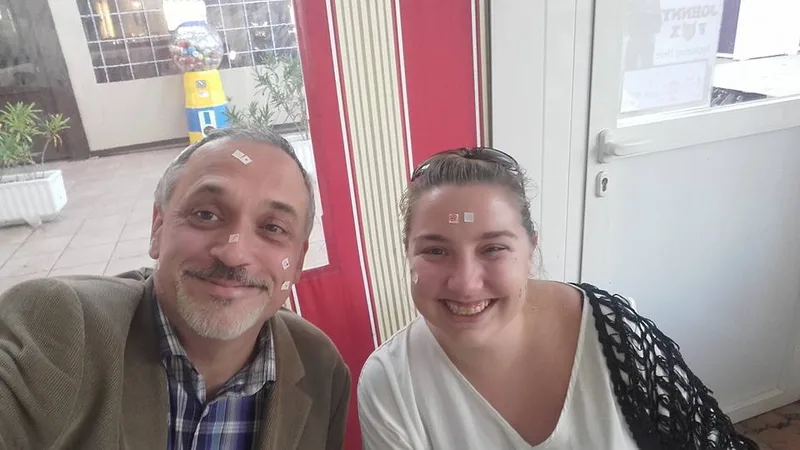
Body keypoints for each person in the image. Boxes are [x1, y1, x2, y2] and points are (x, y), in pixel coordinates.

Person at [357, 147, 757, 449]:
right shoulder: (390, 384)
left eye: (493, 248)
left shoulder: (614, 335)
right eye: (435, 250)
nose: (465, 284)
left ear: (531, 249)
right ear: (407, 253)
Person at [0, 128, 350, 449]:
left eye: (273, 228)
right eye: (206, 215)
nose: (234, 254)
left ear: (299, 259)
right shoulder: (59, 327)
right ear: (158, 227)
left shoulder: (320, 368)